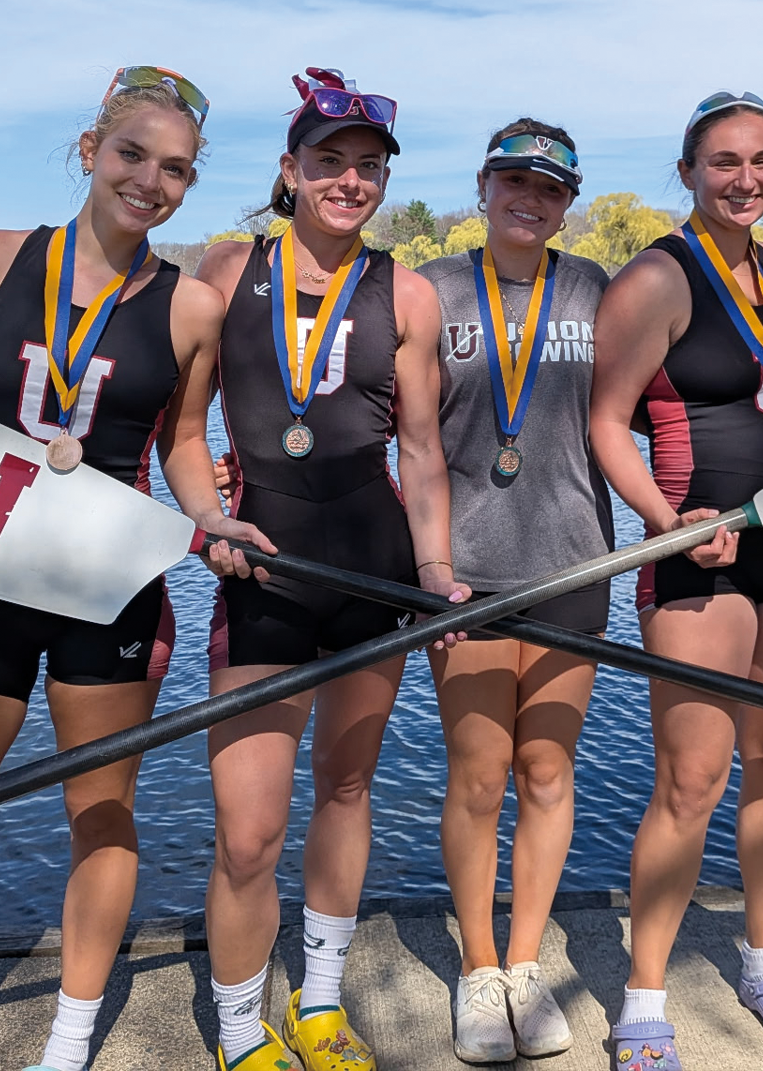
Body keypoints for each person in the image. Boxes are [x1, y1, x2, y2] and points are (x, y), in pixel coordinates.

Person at [0, 66, 257, 1071]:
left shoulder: (193, 305)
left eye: (175, 171)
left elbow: (182, 443)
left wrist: (211, 519)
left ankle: (67, 1046)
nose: (149, 182)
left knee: (102, 817)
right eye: (132, 156)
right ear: (89, 151)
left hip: (106, 586)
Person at [193, 67, 466, 1071]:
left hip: (374, 569)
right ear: (289, 171)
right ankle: (234, 1030)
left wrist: (435, 571)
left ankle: (315, 1005)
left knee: (346, 792)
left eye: (368, 168)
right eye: (330, 163)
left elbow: (424, 451)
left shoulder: (409, 292)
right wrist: (210, 511)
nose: (350, 181)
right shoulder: (227, 269)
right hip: (261, 566)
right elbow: (181, 422)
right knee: (249, 829)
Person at [589, 91, 763, 1070]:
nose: (747, 179)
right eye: (725, 161)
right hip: (700, 545)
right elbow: (609, 422)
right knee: (691, 780)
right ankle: (645, 998)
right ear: (688, 170)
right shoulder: (657, 275)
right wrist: (663, 522)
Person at [414, 118, 609, 1064]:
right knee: (480, 777)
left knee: (547, 774)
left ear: (569, 202)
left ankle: (527, 968)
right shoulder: (434, 289)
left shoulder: (594, 288)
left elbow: (652, 402)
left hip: (575, 564)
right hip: (465, 575)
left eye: (551, 188)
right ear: (485, 185)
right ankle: (478, 971)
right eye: (514, 181)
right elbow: (390, 429)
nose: (530, 199)